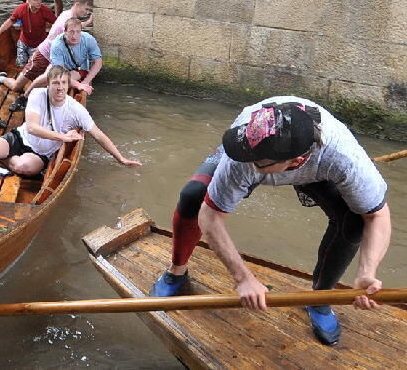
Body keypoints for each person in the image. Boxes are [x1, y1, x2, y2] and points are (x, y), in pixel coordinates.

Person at [148, 97, 391, 346]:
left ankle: (320, 299)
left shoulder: (344, 159)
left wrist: (367, 272)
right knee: (192, 196)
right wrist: (243, 278)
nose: (245, 163)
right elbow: (209, 216)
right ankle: (176, 273)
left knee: (353, 221)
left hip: (315, 166)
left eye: (256, 162)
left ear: (296, 163)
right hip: (262, 149)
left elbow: (377, 215)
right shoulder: (244, 155)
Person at [0, 65, 140, 175]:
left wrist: (121, 158)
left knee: (23, 166)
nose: (60, 88)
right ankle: (1, 158)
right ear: (48, 84)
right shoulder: (37, 94)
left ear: (68, 85)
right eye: (55, 83)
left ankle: (3, 160)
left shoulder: (75, 109)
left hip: (40, 154)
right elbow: (32, 128)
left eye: (63, 83)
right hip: (20, 137)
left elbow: (98, 134)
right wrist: (63, 137)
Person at [1, 0, 95, 110]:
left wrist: (87, 23)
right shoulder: (65, 20)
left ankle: (31, 98)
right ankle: (1, 78)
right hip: (43, 55)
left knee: (48, 79)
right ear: (77, 4)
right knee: (16, 86)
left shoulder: (71, 17)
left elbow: (76, 28)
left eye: (89, 11)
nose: (86, 13)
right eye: (86, 9)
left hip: (54, 57)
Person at [6, 18, 101, 112]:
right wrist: (78, 85)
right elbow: (60, 72)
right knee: (46, 77)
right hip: (60, 67)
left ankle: (56, 107)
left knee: (59, 82)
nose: (75, 36)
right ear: (65, 31)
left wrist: (85, 82)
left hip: (79, 68)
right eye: (71, 32)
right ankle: (24, 97)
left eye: (78, 32)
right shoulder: (57, 44)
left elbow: (98, 62)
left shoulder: (88, 39)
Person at [0, 0, 56, 69]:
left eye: (40, 0)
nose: (39, 2)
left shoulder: (45, 10)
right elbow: (11, 21)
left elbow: (57, 23)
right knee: (20, 65)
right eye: (36, 0)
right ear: (29, 1)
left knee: (33, 66)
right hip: (23, 42)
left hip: (38, 45)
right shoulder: (21, 9)